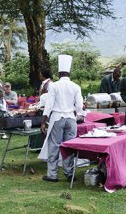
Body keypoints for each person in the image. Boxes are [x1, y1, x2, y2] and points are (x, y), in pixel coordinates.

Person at [40, 54, 84, 182]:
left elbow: (49, 105)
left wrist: (43, 121)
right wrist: (77, 113)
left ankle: (52, 174)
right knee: (69, 146)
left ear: (59, 73)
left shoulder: (54, 86)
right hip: (71, 119)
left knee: (54, 145)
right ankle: (69, 173)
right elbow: (80, 106)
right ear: (69, 73)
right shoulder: (76, 86)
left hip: (57, 118)